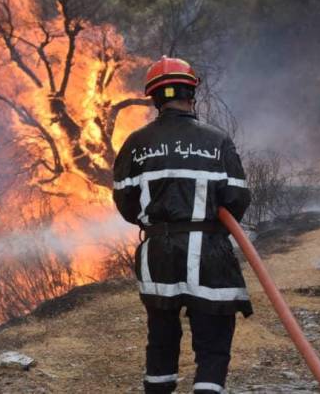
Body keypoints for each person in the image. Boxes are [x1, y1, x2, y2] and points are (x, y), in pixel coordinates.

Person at [112, 56, 252, 394]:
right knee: (213, 341)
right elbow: (237, 198)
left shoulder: (135, 144)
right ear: (192, 93)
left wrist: (160, 221)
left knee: (161, 339)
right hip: (209, 255)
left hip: (158, 255)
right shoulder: (217, 141)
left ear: (155, 99)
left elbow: (126, 203)